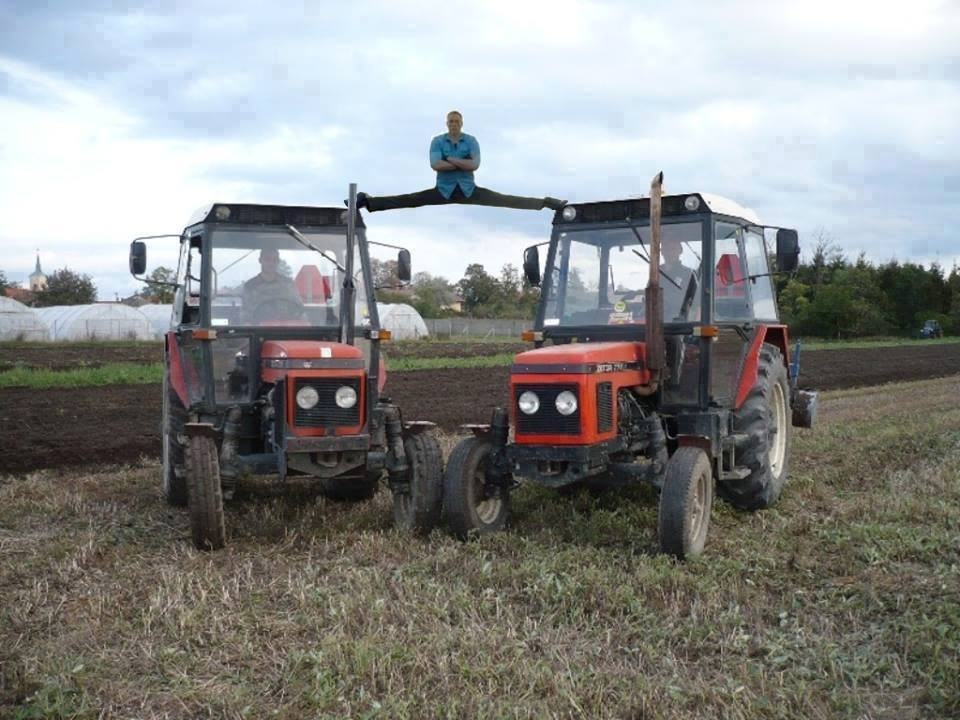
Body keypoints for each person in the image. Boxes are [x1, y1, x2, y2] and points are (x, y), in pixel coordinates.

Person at [355, 110, 566, 212]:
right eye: (451, 121)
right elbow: (435, 165)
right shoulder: (437, 141)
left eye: (457, 121)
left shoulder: (471, 140)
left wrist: (450, 159)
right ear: (446, 123)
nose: (454, 124)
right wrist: (461, 161)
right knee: (409, 199)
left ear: (461, 123)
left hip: (468, 189)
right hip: (443, 190)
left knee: (504, 199)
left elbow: (474, 165)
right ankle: (367, 201)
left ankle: (546, 202)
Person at [242, 248, 306, 324]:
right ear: (260, 260)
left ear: (278, 262)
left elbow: (299, 310)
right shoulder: (250, 286)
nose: (271, 263)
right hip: (259, 331)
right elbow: (245, 318)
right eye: (267, 259)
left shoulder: (288, 284)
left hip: (286, 330)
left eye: (274, 260)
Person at [660, 239, 699, 321]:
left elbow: (697, 303)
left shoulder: (688, 274)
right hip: (656, 322)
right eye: (666, 249)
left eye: (673, 249)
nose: (670, 253)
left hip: (679, 325)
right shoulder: (656, 273)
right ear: (662, 252)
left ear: (680, 251)